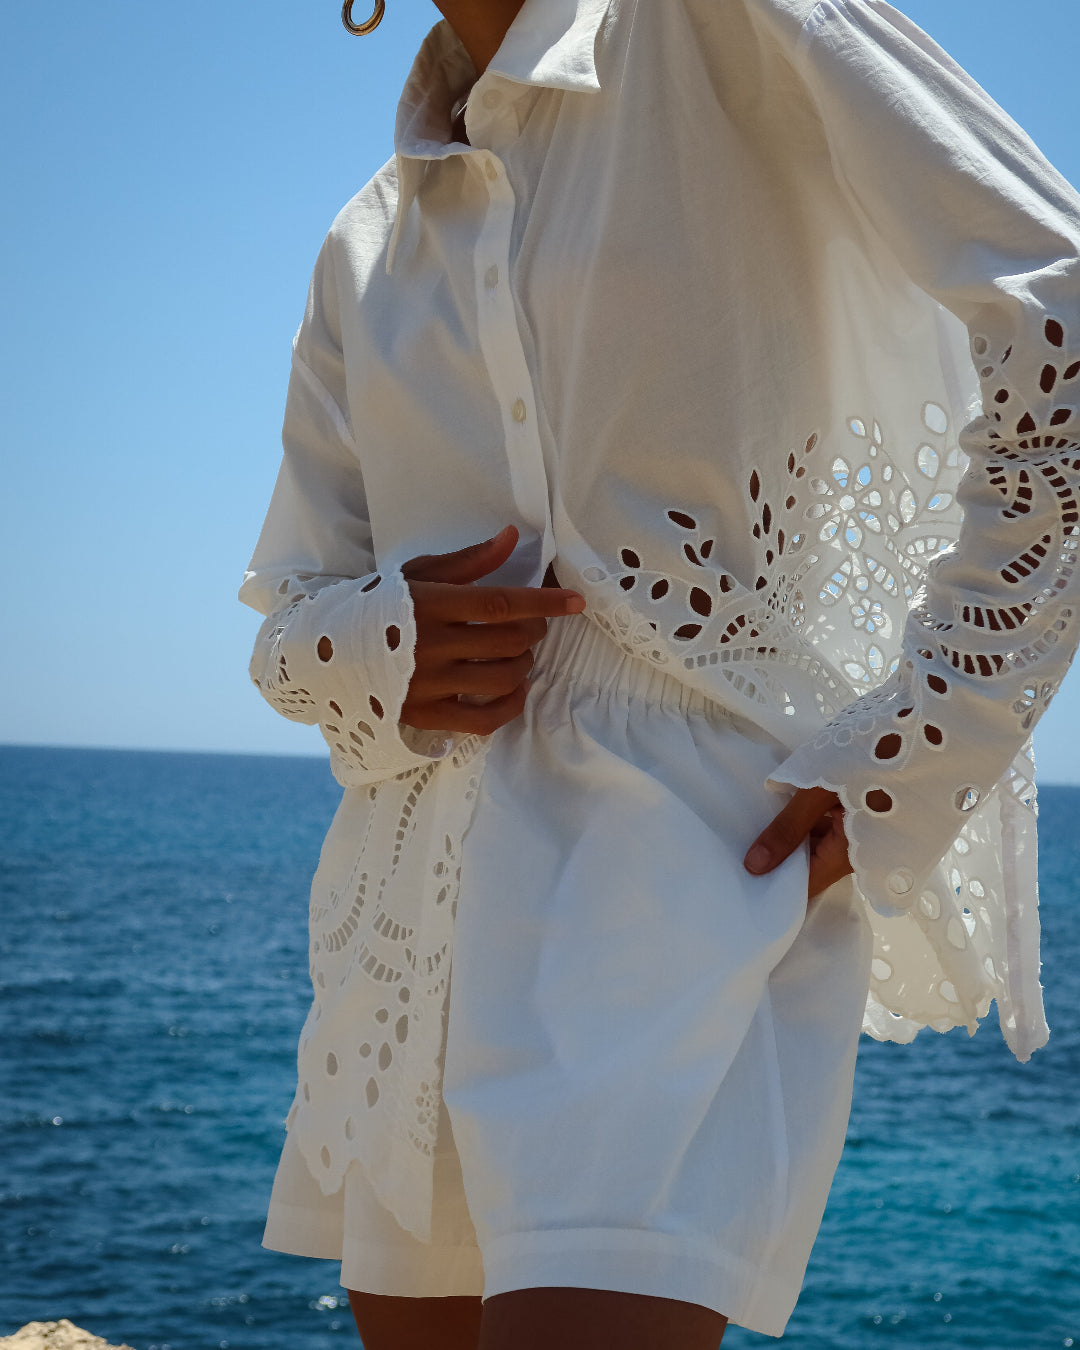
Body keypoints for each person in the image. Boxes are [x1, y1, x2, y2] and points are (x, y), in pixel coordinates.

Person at [239, 1, 1080, 1345]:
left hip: (677, 890)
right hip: (409, 931)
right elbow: (286, 615)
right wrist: (388, 648)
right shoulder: (370, 240)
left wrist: (919, 740)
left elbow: (1064, 311)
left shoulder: (726, 31)